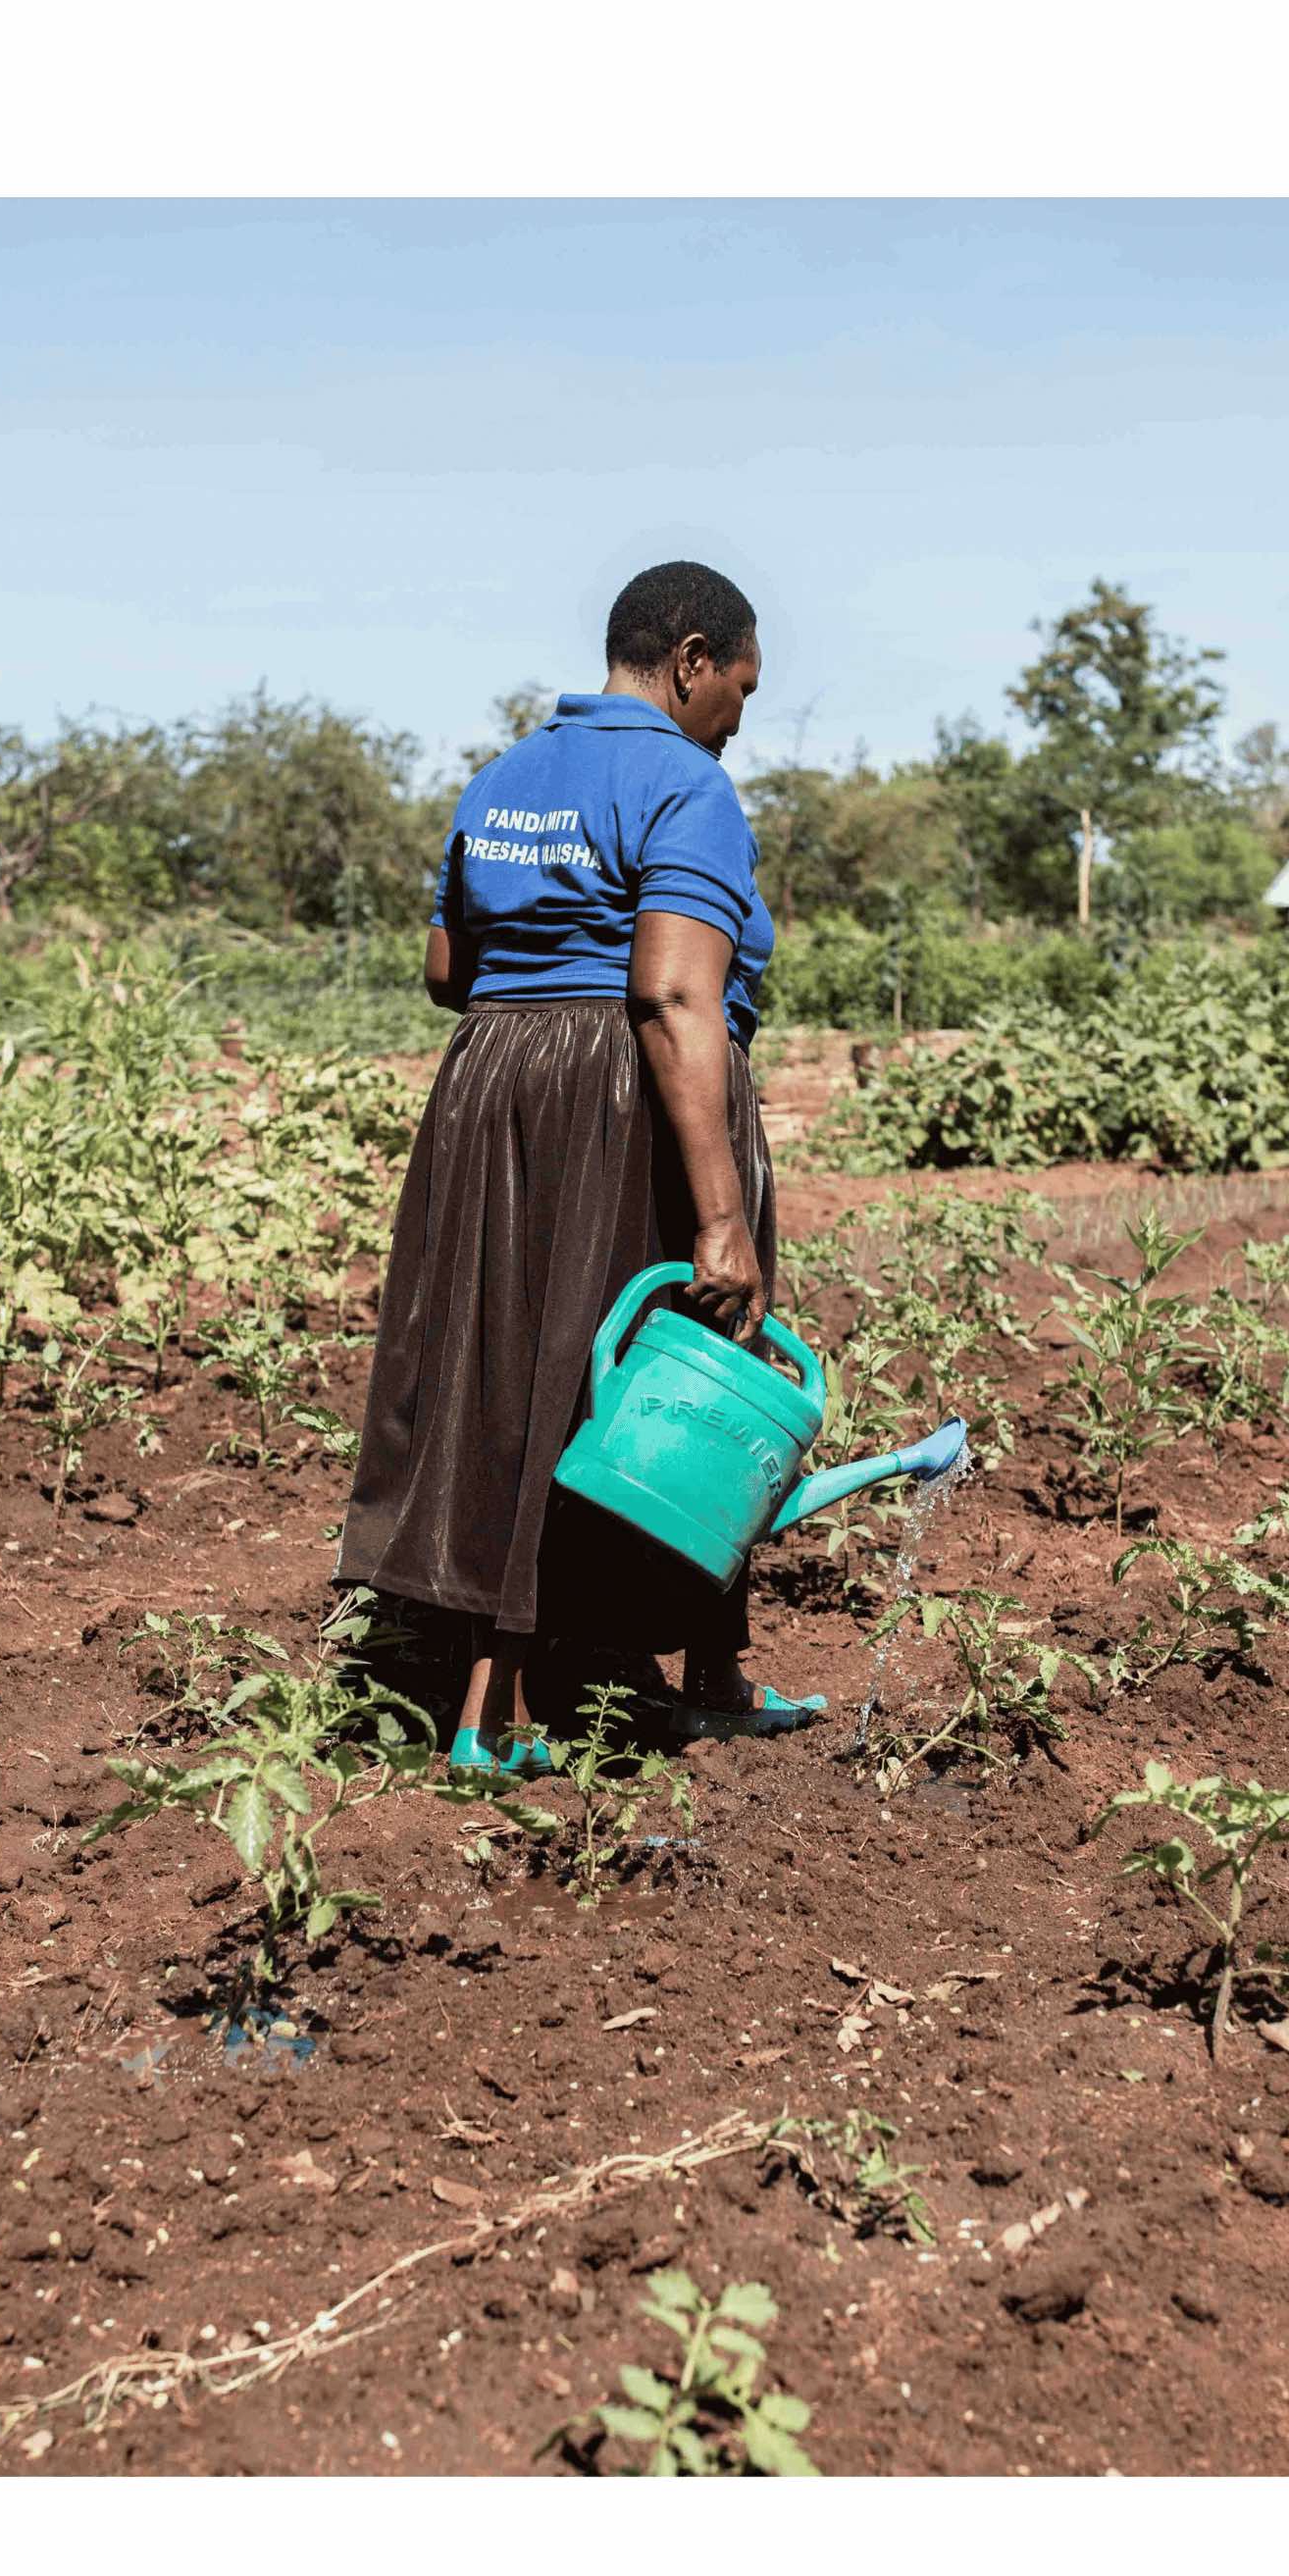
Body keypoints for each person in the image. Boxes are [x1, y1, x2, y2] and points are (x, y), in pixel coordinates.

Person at [336, 560, 823, 1777]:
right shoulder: (684, 786)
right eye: (740, 690)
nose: (737, 720)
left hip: (490, 1090)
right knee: (676, 1364)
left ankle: (551, 1681)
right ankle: (540, 1702)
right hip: (624, 1094)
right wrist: (720, 1212)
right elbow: (669, 992)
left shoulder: (499, 779)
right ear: (693, 658)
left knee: (504, 1373)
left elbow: (448, 969)